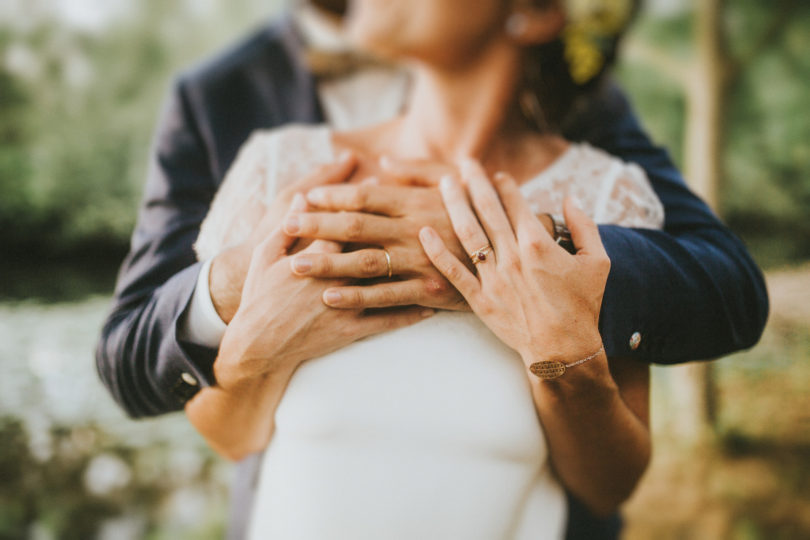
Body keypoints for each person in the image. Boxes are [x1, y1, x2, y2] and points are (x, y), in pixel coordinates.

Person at [95, 0, 768, 538]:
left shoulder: (600, 193)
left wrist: (564, 348)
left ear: (531, 15)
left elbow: (609, 483)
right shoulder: (281, 166)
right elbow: (226, 433)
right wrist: (247, 346)